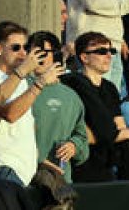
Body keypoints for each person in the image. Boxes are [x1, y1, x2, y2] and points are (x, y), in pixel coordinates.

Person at [61, 31, 129, 183]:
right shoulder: (73, 82)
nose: (109, 56)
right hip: (83, 161)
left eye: (111, 51)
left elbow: (117, 126)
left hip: (106, 159)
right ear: (84, 57)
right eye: (101, 51)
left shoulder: (110, 88)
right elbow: (98, 130)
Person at [0, 22, 64, 188]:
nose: (23, 53)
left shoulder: (23, 82)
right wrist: (40, 84)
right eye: (16, 47)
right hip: (4, 166)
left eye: (25, 47)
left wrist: (39, 159)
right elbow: (10, 115)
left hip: (27, 169)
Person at [26, 32, 89, 183]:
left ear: (55, 54)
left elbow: (82, 139)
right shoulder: (19, 87)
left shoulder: (71, 97)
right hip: (24, 177)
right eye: (34, 52)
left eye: (44, 52)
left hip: (60, 183)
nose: (38, 57)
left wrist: (74, 146)